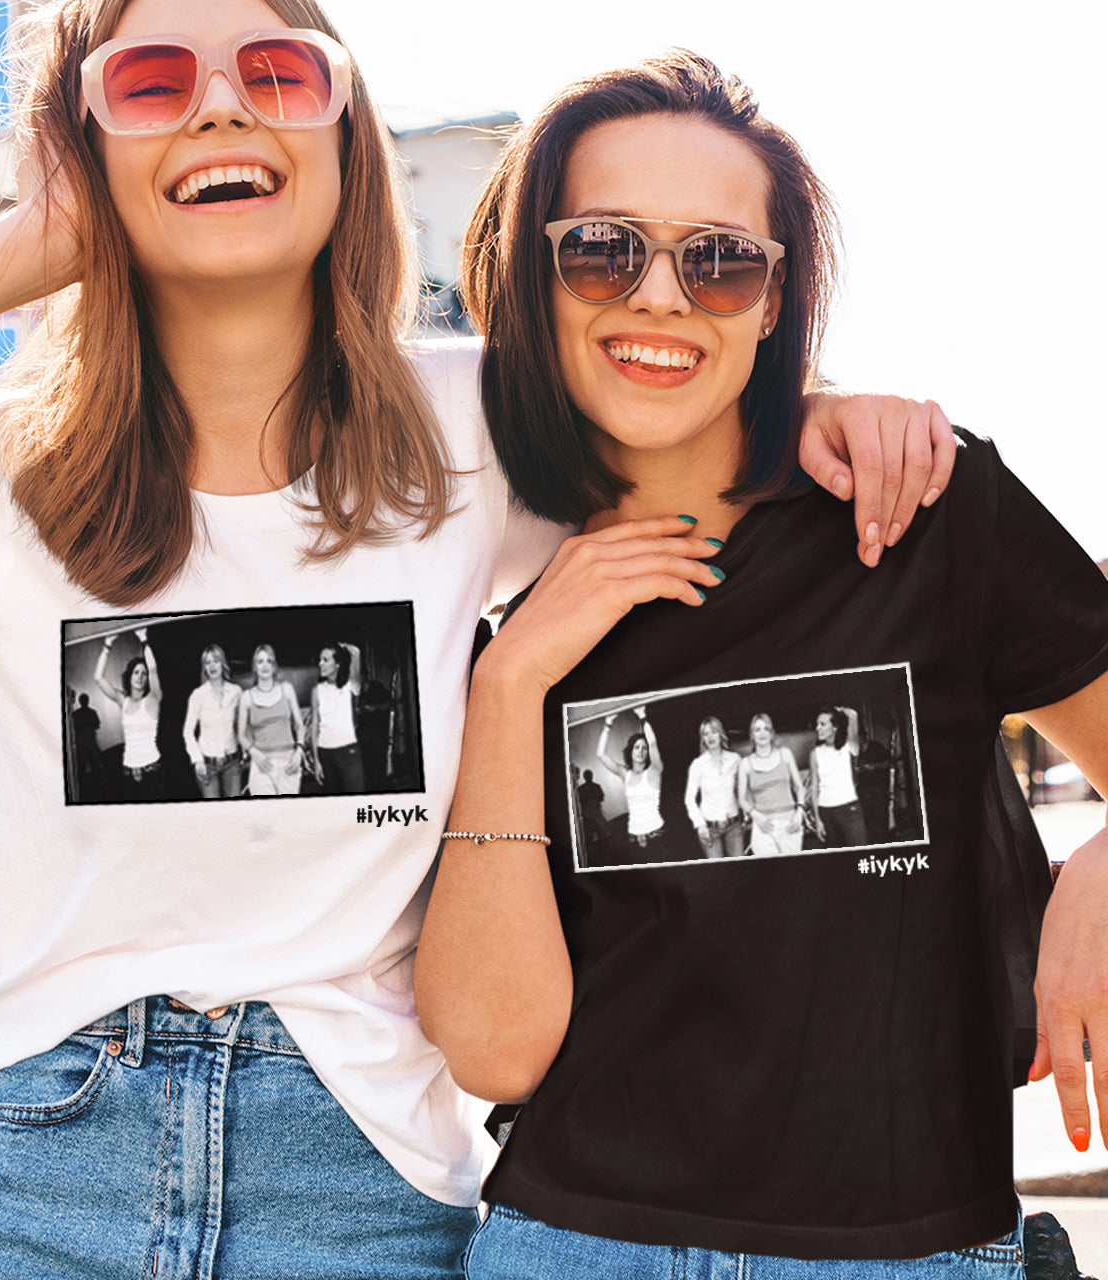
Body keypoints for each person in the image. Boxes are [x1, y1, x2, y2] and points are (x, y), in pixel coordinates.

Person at [0, 0, 960, 1269]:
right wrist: (37, 241)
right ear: (79, 145)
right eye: (148, 82)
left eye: (277, 70)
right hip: (48, 1156)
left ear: (349, 135)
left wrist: (821, 408)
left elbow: (696, 425)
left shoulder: (470, 422)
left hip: (361, 1163)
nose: (219, 104)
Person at [416, 49, 1108, 1277]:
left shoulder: (923, 511)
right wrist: (512, 680)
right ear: (530, 278)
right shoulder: (477, 575)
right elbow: (493, 1050)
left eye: (720, 258)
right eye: (601, 248)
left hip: (913, 1249)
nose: (663, 295)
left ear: (776, 298)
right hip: (573, 1244)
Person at [93, 627, 163, 800]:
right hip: (127, 770)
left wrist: (143, 639)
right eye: (136, 672)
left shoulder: (153, 699)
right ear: (130, 676)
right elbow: (98, 678)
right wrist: (107, 645)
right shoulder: (122, 700)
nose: (140, 676)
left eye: (143, 674)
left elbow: (153, 669)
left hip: (152, 769)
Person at [595, 705, 664, 857]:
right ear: (630, 751)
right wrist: (608, 723)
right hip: (633, 835)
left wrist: (642, 716)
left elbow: (652, 744)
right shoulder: (625, 774)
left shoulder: (654, 770)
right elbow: (600, 754)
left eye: (643, 748)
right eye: (636, 747)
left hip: (656, 833)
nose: (640, 751)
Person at [737, 711, 807, 856]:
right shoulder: (745, 764)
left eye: (766, 729)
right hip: (763, 824)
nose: (762, 733)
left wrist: (800, 811)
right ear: (752, 735)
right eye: (757, 729)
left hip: (789, 822)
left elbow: (799, 786)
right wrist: (755, 815)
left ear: (771, 733)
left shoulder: (785, 754)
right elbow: (742, 799)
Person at [240, 643, 306, 796]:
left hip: (288, 764)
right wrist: (253, 752)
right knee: (266, 816)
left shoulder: (287, 689)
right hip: (262, 765)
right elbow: (241, 735)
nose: (265, 666)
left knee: (288, 814)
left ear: (274, 666)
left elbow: (299, 725)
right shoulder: (246, 697)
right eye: (260, 661)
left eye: (269, 661)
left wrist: (299, 751)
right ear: (254, 666)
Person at [182, 643, 244, 797]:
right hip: (207, 765)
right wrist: (197, 760)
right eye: (207, 662)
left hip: (232, 763)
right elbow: (188, 731)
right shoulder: (198, 695)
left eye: (216, 661)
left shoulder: (236, 692)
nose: (212, 666)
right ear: (204, 667)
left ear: (223, 663)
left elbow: (244, 724)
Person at [684, 715, 743, 858]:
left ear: (720, 734)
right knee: (718, 873)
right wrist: (700, 825)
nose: (710, 737)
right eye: (705, 734)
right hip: (710, 829)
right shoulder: (698, 765)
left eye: (713, 732)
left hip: (734, 826)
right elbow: (689, 798)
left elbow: (744, 789)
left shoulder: (735, 759)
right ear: (702, 739)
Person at [809, 705, 868, 848]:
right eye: (817, 724)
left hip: (849, 810)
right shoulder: (815, 753)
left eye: (823, 724)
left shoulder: (848, 746)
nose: (818, 728)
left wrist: (841, 709)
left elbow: (853, 714)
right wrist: (817, 819)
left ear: (834, 727)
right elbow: (814, 787)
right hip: (826, 811)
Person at [309, 641, 364, 793]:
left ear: (337, 663)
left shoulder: (350, 685)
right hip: (325, 753)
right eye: (320, 660)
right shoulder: (317, 691)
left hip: (348, 753)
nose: (321, 664)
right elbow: (314, 727)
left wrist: (343, 645)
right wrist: (316, 762)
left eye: (326, 660)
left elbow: (356, 652)